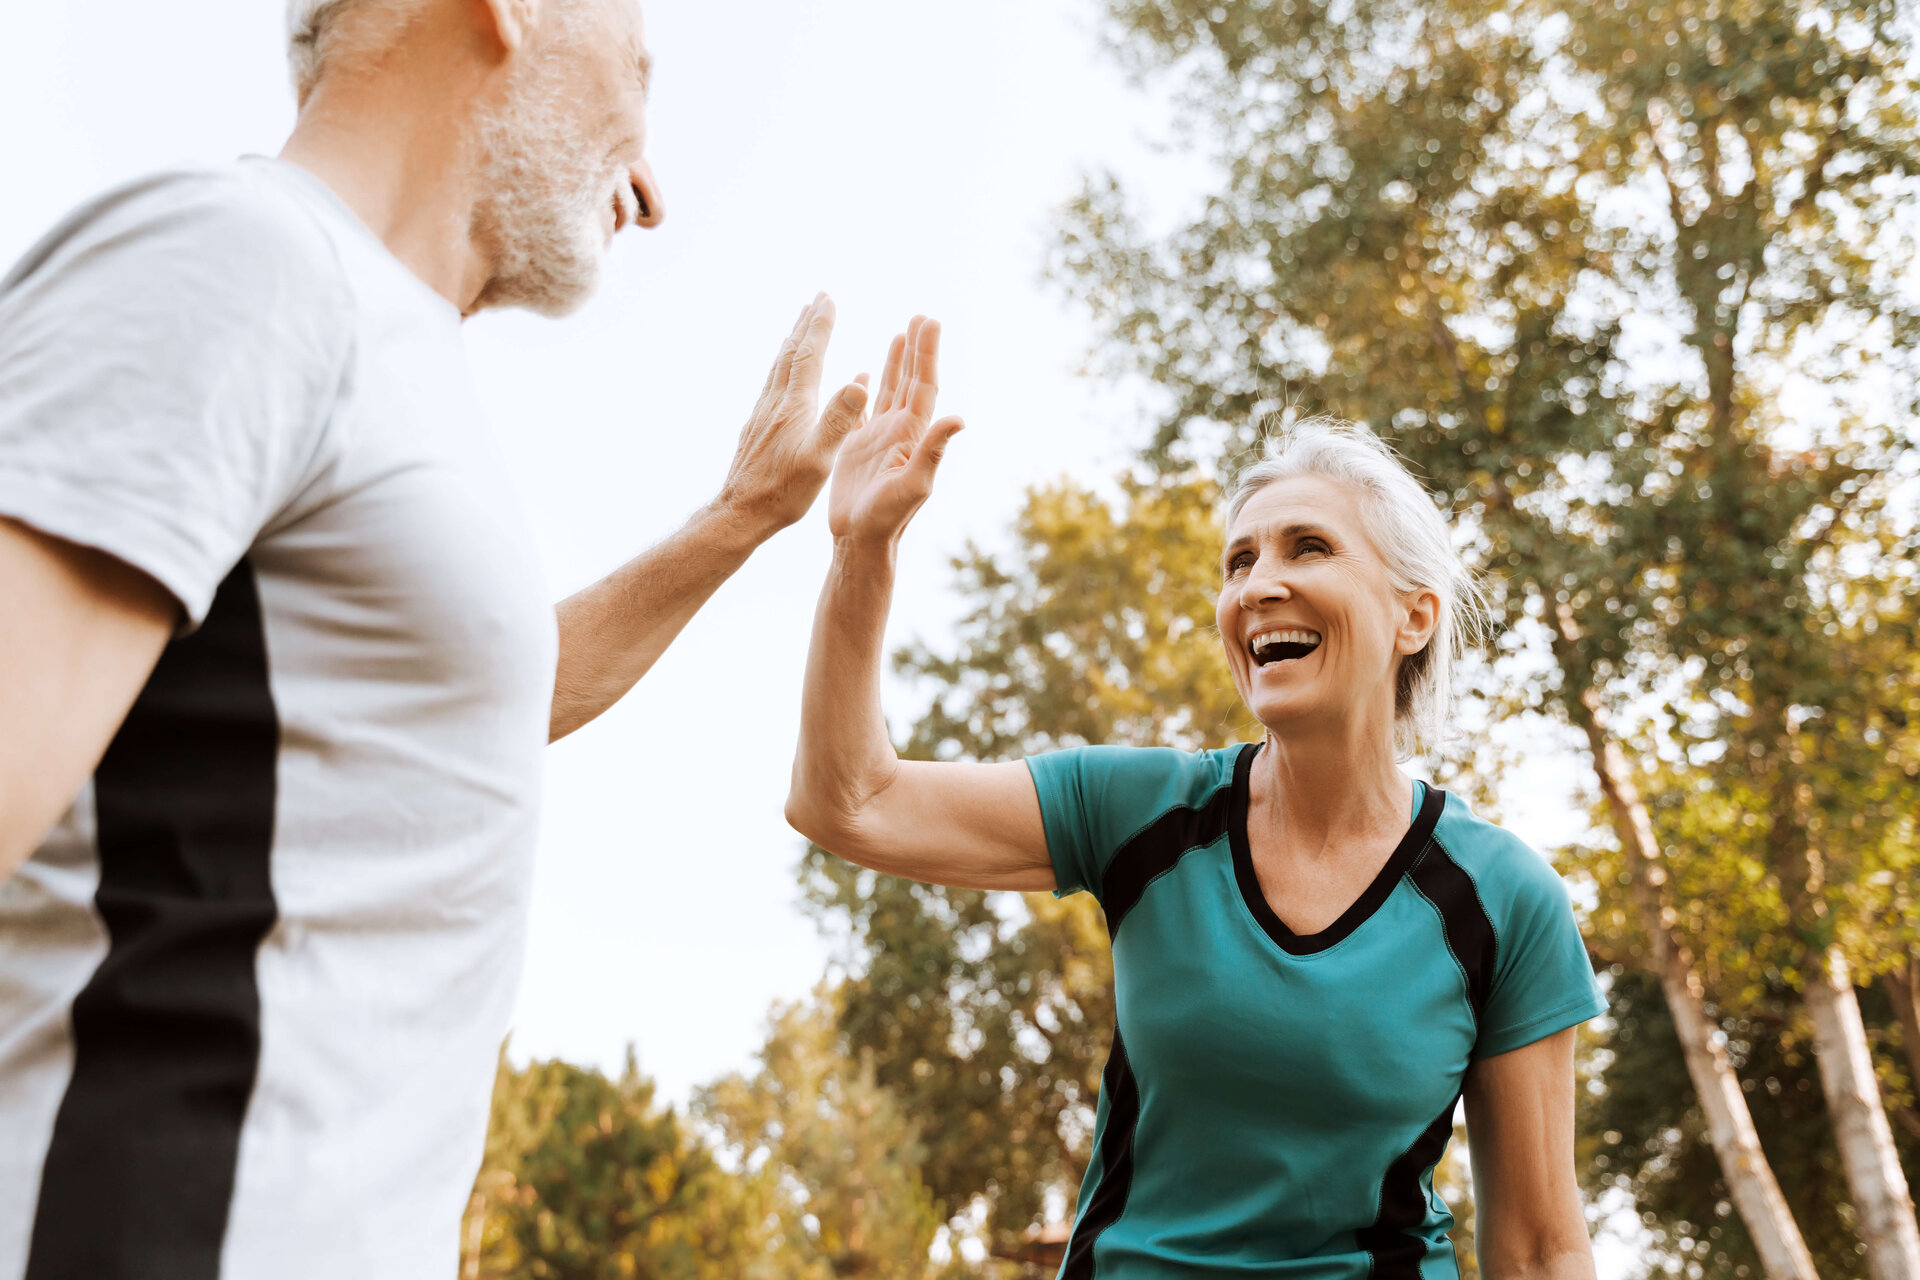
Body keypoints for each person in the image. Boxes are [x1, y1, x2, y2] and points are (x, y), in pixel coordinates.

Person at [0, 0, 872, 1276]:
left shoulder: (385, 355)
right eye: (638, 74)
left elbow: (478, 704)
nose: (652, 182)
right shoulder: (243, 259)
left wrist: (739, 521)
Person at [787, 323, 1607, 1280]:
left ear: (1414, 614)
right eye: (1239, 562)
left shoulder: (1504, 900)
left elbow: (1542, 1250)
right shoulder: (1140, 812)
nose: (1262, 586)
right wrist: (863, 550)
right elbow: (848, 801)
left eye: (1308, 548)